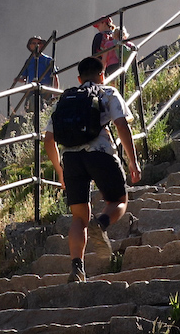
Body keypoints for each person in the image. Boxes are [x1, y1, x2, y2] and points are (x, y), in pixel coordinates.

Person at [43, 57, 142, 283]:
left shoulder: (66, 99)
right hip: (100, 154)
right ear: (102, 74)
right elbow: (121, 125)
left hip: (71, 160)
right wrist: (133, 161)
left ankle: (77, 268)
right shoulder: (107, 93)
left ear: (79, 78)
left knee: (79, 218)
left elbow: (48, 140)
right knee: (118, 200)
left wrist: (59, 170)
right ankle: (102, 224)